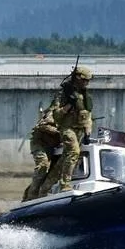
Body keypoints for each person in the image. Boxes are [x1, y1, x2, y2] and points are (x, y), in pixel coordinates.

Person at [22, 66, 93, 200]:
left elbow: (87, 116)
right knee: (45, 165)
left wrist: (88, 131)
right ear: (77, 78)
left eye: (88, 81)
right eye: (84, 80)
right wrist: (68, 107)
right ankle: (33, 196)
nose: (86, 83)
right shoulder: (63, 96)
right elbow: (54, 118)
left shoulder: (84, 96)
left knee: (59, 167)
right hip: (43, 141)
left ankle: (43, 193)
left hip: (61, 140)